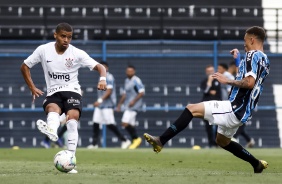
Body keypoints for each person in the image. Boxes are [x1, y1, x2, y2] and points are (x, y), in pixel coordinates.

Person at [144, 26, 269, 173]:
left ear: (252, 39)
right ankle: (256, 164)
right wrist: (238, 60)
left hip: (234, 107)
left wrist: (226, 80)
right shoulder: (265, 60)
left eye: (245, 40)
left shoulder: (252, 55)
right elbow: (248, 77)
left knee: (191, 108)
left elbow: (249, 83)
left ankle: (161, 140)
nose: (244, 44)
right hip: (243, 111)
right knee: (222, 141)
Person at [20, 22, 107, 174]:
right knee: (52, 109)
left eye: (69, 37)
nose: (66, 40)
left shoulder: (77, 53)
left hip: (72, 90)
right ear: (55, 35)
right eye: (63, 36)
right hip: (53, 91)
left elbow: (100, 67)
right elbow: (25, 66)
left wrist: (102, 79)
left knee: (72, 120)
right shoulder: (43, 50)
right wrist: (32, 87)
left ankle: (70, 160)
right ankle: (52, 130)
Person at [87, 61, 131, 149]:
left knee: (110, 124)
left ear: (107, 68)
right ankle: (94, 144)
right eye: (101, 67)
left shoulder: (109, 77)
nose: (102, 69)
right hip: (100, 106)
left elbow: (109, 91)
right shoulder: (101, 77)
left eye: (104, 67)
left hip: (107, 105)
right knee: (96, 123)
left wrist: (99, 101)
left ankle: (125, 140)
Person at [116, 65, 145, 149]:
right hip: (127, 105)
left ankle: (136, 139)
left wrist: (133, 101)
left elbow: (141, 92)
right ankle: (134, 142)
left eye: (131, 71)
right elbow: (124, 94)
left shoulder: (136, 80)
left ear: (134, 71)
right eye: (128, 71)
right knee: (131, 125)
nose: (129, 73)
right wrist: (119, 104)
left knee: (124, 123)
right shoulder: (126, 81)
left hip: (134, 106)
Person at [200, 65, 221, 148]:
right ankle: (211, 143)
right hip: (207, 106)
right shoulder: (204, 82)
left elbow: (218, 93)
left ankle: (217, 143)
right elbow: (205, 91)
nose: (210, 73)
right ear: (206, 72)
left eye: (211, 71)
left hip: (217, 106)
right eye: (208, 71)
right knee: (208, 126)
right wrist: (209, 82)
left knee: (218, 125)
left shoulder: (218, 81)